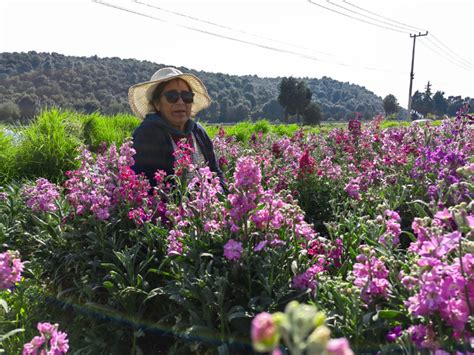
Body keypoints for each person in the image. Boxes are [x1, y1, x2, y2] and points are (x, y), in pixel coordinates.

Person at [128, 67, 225, 189]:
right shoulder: (147, 134)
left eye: (187, 96)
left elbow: (216, 172)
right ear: (157, 104)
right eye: (172, 96)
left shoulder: (198, 132)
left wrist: (217, 195)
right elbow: (147, 187)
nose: (180, 102)